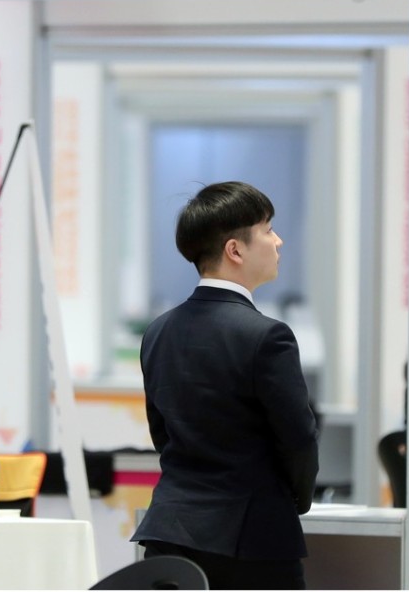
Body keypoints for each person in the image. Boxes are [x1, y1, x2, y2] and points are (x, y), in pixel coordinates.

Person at [131, 181, 319, 590]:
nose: (278, 241)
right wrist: (296, 501)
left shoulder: (158, 331)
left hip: (170, 532)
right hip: (252, 541)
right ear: (236, 250)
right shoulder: (268, 336)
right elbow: (298, 438)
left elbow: (163, 433)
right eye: (268, 230)